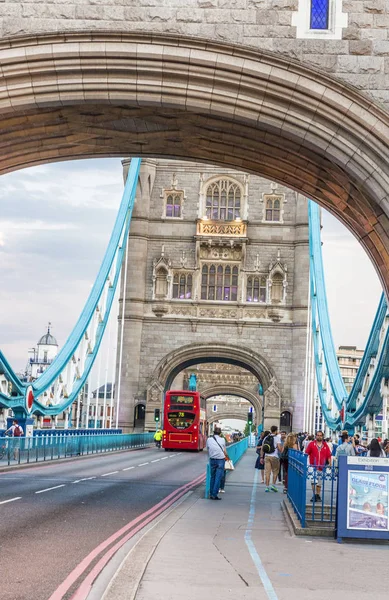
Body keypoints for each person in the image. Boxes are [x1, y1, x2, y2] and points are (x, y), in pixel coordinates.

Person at [305, 430, 332, 503]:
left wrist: (330, 464)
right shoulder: (311, 444)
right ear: (316, 436)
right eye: (318, 435)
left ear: (322, 436)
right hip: (313, 466)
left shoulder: (325, 445)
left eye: (320, 435)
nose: (319, 436)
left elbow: (329, 455)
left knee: (319, 482)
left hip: (322, 466)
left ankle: (318, 494)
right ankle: (314, 494)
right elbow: (306, 453)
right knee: (313, 481)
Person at [206, 426, 227, 500]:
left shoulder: (209, 439)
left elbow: (208, 449)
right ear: (220, 433)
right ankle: (214, 494)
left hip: (212, 459)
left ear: (213, 433)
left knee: (213, 477)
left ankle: (211, 493)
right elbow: (224, 450)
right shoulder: (222, 440)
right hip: (220, 460)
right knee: (218, 477)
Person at [260, 425, 282, 492]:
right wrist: (282, 448)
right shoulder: (277, 438)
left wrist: (261, 457)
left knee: (267, 472)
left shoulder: (266, 437)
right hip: (275, 457)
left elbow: (262, 448)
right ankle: (273, 486)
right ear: (276, 431)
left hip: (267, 456)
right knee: (275, 472)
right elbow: (279, 449)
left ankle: (267, 487)